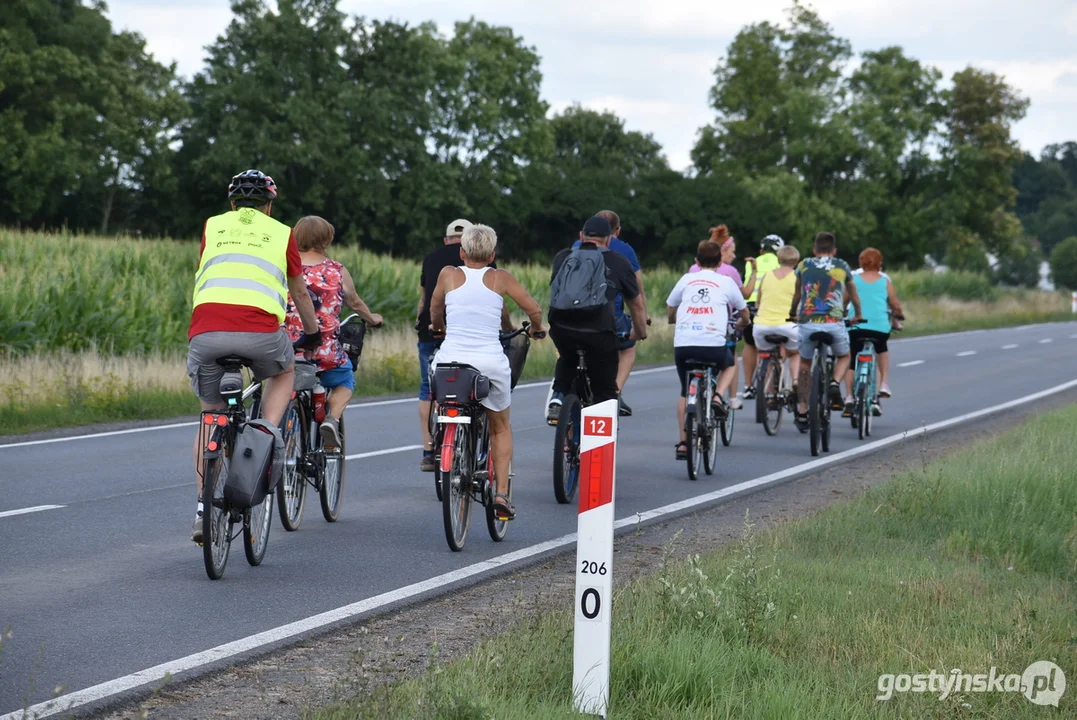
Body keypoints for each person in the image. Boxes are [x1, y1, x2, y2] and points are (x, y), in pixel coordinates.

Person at [186, 169, 320, 543]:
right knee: (284, 371)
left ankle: (201, 506)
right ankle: (267, 430)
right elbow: (299, 292)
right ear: (269, 205)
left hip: (207, 333)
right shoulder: (282, 233)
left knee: (210, 416)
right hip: (261, 335)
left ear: (232, 203)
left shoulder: (212, 225)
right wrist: (312, 332)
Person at [429, 224, 546, 520]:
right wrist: (536, 328)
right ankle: (502, 493)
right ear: (492, 255)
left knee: (439, 389)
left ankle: (442, 438)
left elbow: (435, 307)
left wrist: (438, 327)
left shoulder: (448, 274)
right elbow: (533, 310)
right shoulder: (500, 278)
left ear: (461, 252)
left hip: (451, 361)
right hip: (490, 363)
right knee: (500, 426)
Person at [415, 218, 509, 472]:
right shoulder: (493, 272)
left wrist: (430, 324)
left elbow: (428, 299)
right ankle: (499, 488)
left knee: (429, 389)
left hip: (434, 333)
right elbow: (497, 303)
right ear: (489, 254)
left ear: (451, 242)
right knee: (498, 418)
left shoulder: (434, 260)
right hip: (481, 343)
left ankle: (430, 447)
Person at [283, 216, 384, 449]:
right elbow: (355, 303)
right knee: (346, 379)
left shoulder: (286, 267)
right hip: (325, 354)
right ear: (326, 239)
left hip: (289, 350)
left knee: (279, 383)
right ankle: (332, 418)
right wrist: (373, 319)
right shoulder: (336, 270)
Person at [547, 216, 648, 422]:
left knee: (567, 357)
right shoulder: (619, 261)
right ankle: (599, 446)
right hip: (599, 331)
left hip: (560, 327)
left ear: (581, 236)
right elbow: (636, 306)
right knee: (604, 390)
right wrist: (639, 332)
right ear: (609, 240)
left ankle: (558, 397)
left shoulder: (562, 256)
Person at [667, 241, 749, 459]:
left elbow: (671, 306)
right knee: (730, 363)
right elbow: (743, 311)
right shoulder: (726, 281)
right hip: (712, 345)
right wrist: (743, 323)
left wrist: (672, 319)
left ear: (696, 261)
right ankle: (718, 397)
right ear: (720, 262)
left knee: (685, 392)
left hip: (684, 345)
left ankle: (683, 443)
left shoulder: (686, 279)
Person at [788, 232, 863, 431]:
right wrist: (858, 314)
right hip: (834, 322)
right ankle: (834, 383)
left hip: (808, 321)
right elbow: (853, 295)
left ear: (814, 250)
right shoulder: (842, 266)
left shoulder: (803, 265)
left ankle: (803, 411)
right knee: (845, 356)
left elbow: (797, 294)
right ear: (834, 250)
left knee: (805, 363)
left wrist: (791, 313)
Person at [691, 226, 757, 409]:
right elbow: (745, 294)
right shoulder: (730, 272)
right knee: (731, 357)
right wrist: (754, 273)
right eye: (732, 252)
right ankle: (732, 397)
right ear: (723, 252)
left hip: (694, 324)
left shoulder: (692, 269)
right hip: (721, 324)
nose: (734, 256)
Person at [843, 247, 905, 417]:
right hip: (879, 327)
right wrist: (899, 315)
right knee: (882, 349)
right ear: (880, 263)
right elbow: (894, 304)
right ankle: (884, 384)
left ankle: (848, 396)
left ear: (861, 262)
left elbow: (844, 301)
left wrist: (842, 313)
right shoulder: (885, 281)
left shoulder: (853, 279)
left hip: (856, 326)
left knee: (850, 358)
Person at [741, 234, 785, 400]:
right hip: (770, 306)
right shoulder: (780, 263)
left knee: (750, 344)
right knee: (778, 343)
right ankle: (772, 386)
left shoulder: (751, 262)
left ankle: (748, 386)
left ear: (761, 249)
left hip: (750, 305)